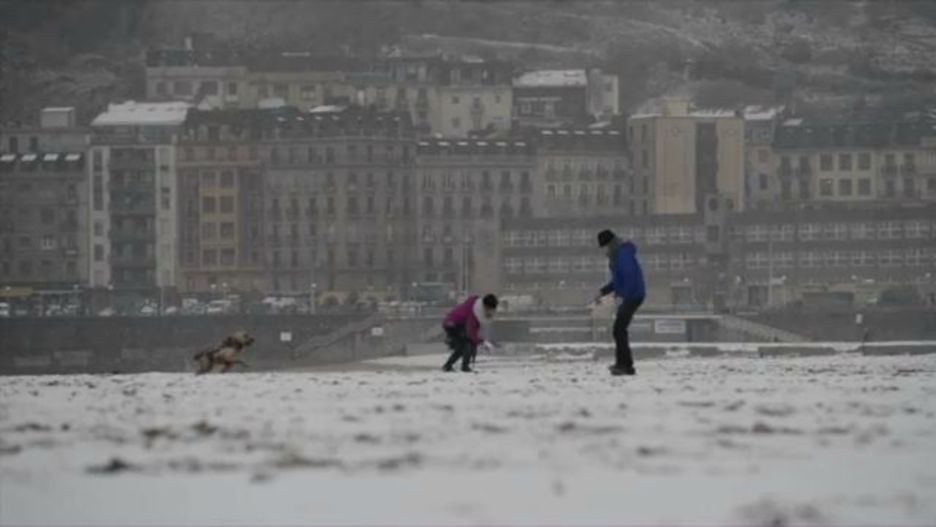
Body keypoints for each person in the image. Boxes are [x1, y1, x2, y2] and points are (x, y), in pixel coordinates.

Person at [595, 229, 646, 376]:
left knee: (619, 329)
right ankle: (624, 364)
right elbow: (618, 281)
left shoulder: (622, 255)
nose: (604, 251)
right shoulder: (618, 254)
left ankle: (625, 365)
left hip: (633, 295)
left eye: (604, 247)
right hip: (631, 295)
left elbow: (628, 277)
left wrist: (622, 296)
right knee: (619, 329)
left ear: (610, 244)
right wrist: (603, 291)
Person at [442, 293, 498, 372]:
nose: (491, 312)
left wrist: (477, 343)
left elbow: (475, 331)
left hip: (457, 325)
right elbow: (471, 334)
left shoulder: (477, 310)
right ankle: (463, 367)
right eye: (490, 309)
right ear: (486, 306)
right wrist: (481, 341)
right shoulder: (475, 312)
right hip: (452, 325)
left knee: (464, 345)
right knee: (466, 344)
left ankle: (450, 366)